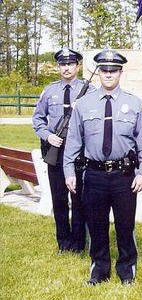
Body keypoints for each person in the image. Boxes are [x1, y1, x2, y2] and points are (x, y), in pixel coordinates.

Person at [63, 49, 142, 285]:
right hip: (93, 174)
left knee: (125, 226)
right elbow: (73, 140)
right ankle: (99, 270)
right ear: (99, 72)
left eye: (113, 70)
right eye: (104, 70)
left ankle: (127, 270)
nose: (109, 74)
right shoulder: (83, 105)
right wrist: (69, 172)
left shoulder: (133, 104)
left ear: (120, 72)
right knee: (96, 225)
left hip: (124, 175)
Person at [32, 48, 92, 253]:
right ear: (58, 67)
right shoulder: (50, 91)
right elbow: (38, 119)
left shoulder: (89, 90)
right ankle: (63, 243)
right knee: (59, 199)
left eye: (70, 64)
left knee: (79, 199)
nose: (66, 68)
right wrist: (48, 136)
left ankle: (78, 243)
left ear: (77, 66)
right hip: (56, 150)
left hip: (78, 152)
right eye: (63, 64)